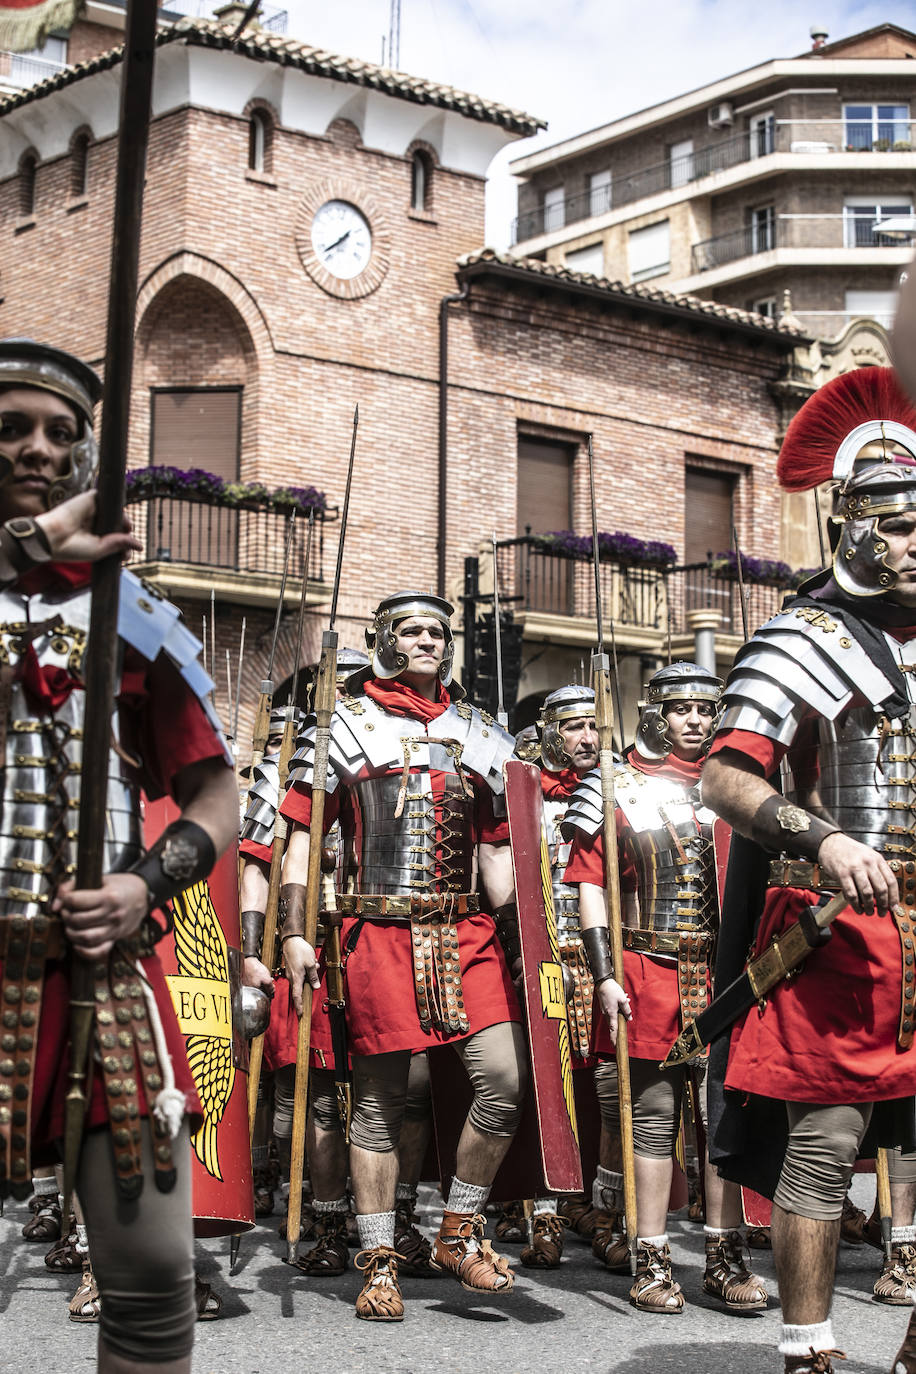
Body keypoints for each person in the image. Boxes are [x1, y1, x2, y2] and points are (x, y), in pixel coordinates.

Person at [0, 339, 238, 1372]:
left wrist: (145, 882)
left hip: (102, 984)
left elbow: (215, 794)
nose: (38, 449)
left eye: (60, 432)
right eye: (11, 427)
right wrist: (21, 555)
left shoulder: (129, 617)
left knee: (150, 1290)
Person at [700, 365, 916, 1374]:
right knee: (826, 1145)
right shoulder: (800, 639)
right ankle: (808, 1349)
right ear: (853, 528)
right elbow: (726, 779)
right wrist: (822, 834)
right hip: (840, 927)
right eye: (903, 525)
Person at [278, 591, 527, 1320]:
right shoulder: (341, 724)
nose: (428, 641)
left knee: (503, 1080)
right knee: (381, 1104)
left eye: (438, 632)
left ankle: (459, 1227)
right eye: (412, 630)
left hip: (465, 932)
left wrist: (526, 931)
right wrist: (295, 931)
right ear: (383, 639)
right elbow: (301, 838)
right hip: (377, 933)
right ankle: (379, 1258)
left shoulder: (481, 731)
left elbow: (494, 849)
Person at [564, 662, 767, 1313]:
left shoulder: (737, 790)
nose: (696, 721)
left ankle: (723, 1255)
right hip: (648, 970)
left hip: (724, 975)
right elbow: (589, 883)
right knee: (653, 1123)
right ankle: (650, 1259)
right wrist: (603, 973)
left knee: (722, 1120)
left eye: (707, 710)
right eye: (683, 709)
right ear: (657, 713)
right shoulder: (616, 786)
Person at [509, 685, 599, 1268]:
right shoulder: (519, 789)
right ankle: (539, 1209)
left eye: (595, 727)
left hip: (593, 956)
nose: (587, 739)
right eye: (573, 727)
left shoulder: (614, 790)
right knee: (541, 1083)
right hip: (535, 954)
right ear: (547, 731)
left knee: (597, 1086)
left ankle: (592, 1202)